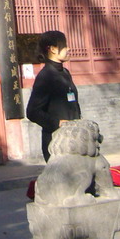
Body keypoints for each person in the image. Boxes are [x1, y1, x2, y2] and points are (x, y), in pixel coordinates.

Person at [25, 29, 81, 161]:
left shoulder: (65, 73)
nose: (68, 49)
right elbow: (32, 111)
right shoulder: (45, 76)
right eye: (64, 45)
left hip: (73, 139)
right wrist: (57, 123)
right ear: (53, 49)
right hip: (56, 142)